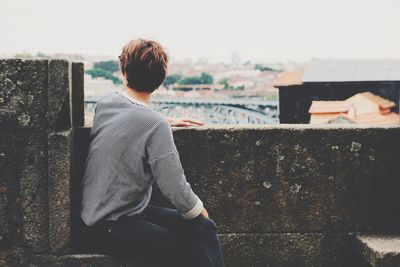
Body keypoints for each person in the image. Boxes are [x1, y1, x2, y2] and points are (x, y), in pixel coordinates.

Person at [80, 38, 224, 267]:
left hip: (107, 217)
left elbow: (129, 120)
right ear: (161, 79)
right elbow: (172, 184)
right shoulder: (154, 125)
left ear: (123, 69)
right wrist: (198, 210)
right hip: (113, 225)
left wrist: (166, 121)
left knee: (205, 230)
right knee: (192, 238)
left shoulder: (106, 103)